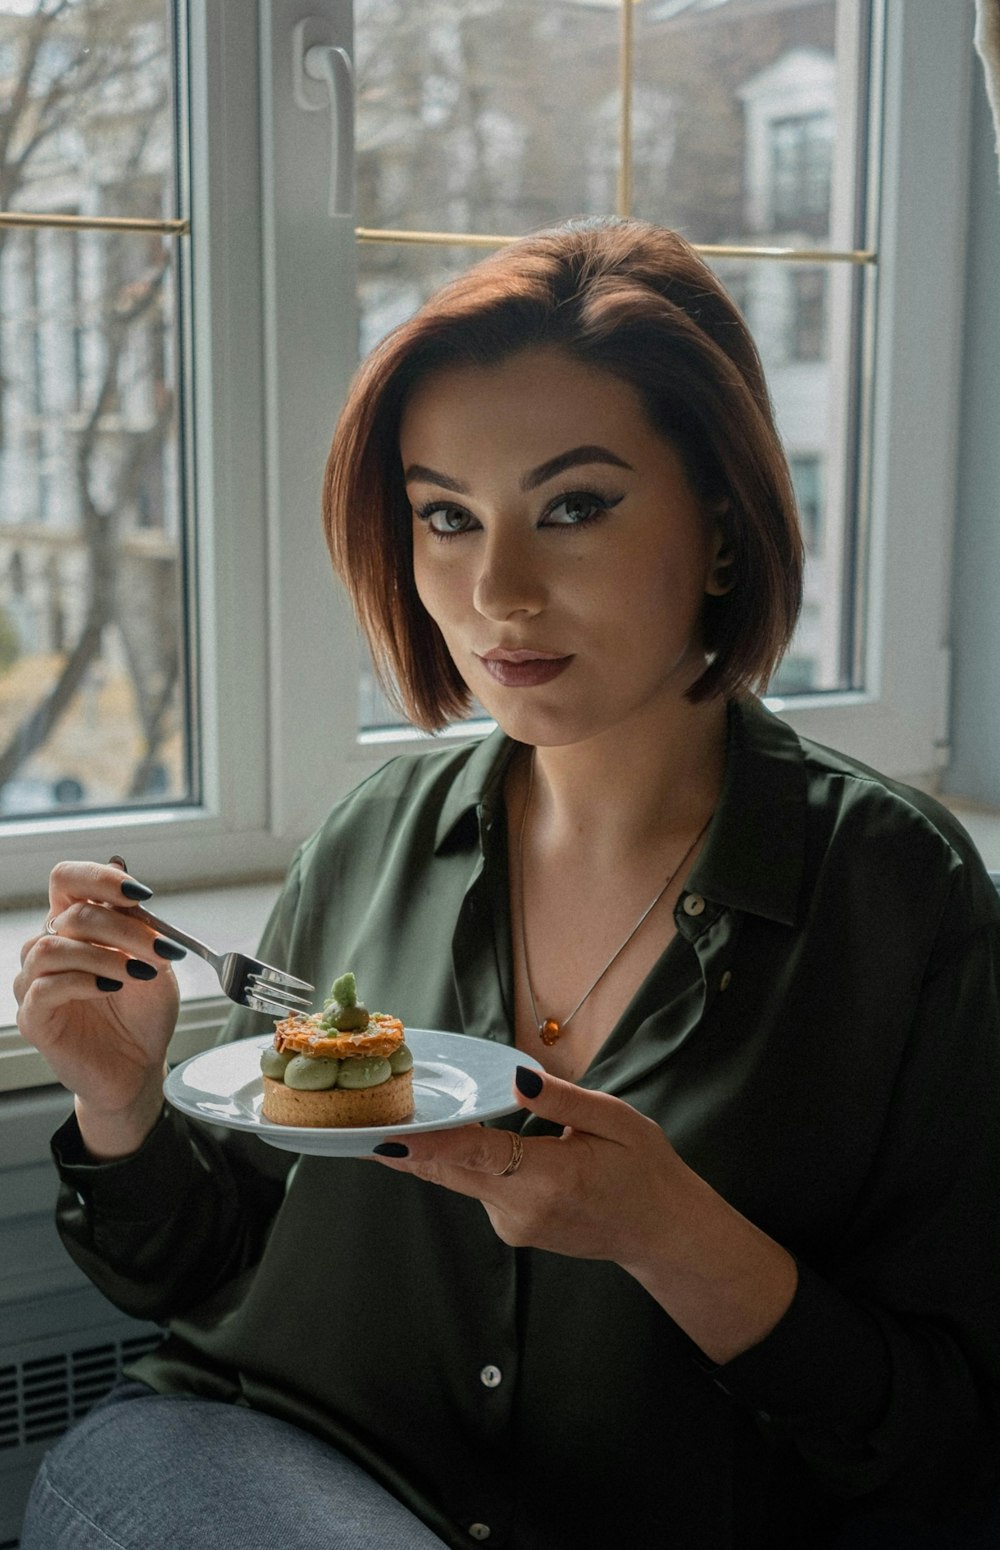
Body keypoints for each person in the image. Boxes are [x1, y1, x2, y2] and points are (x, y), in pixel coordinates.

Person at [14, 218, 1000, 1550]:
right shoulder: (369, 839)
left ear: (721, 526)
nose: (497, 591)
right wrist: (121, 1101)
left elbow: (950, 1441)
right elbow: (204, 1276)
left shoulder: (903, 904)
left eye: (575, 507)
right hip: (244, 1464)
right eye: (445, 517)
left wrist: (677, 1234)